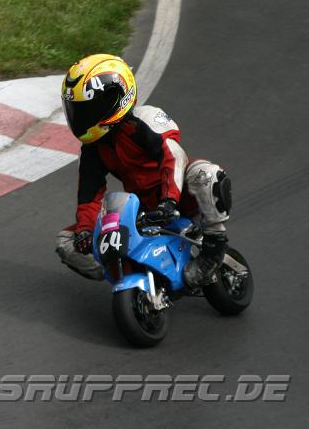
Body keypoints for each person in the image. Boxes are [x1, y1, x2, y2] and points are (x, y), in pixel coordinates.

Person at [55, 54, 232, 288]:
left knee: (206, 174)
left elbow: (173, 158)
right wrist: (85, 231)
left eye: (89, 109)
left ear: (116, 99)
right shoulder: (93, 148)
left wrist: (169, 201)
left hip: (179, 196)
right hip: (144, 210)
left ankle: (213, 249)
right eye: (78, 111)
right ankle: (125, 269)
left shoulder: (144, 119)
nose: (82, 119)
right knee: (66, 241)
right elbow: (89, 195)